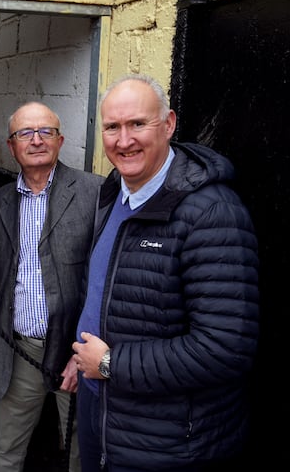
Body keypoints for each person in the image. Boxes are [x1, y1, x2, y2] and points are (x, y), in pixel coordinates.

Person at [71, 74, 259, 472]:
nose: (124, 141)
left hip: (168, 442)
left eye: (138, 124)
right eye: (112, 127)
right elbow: (107, 290)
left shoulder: (211, 213)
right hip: (102, 414)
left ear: (169, 124)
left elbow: (225, 348)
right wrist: (81, 355)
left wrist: (109, 364)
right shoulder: (114, 192)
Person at [0, 101, 103, 472]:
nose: (36, 140)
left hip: (77, 348)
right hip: (21, 350)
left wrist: (88, 348)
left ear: (60, 141)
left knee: (82, 451)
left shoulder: (95, 193)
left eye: (46, 131)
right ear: (11, 146)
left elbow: (107, 277)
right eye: (25, 133)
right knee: (7, 450)